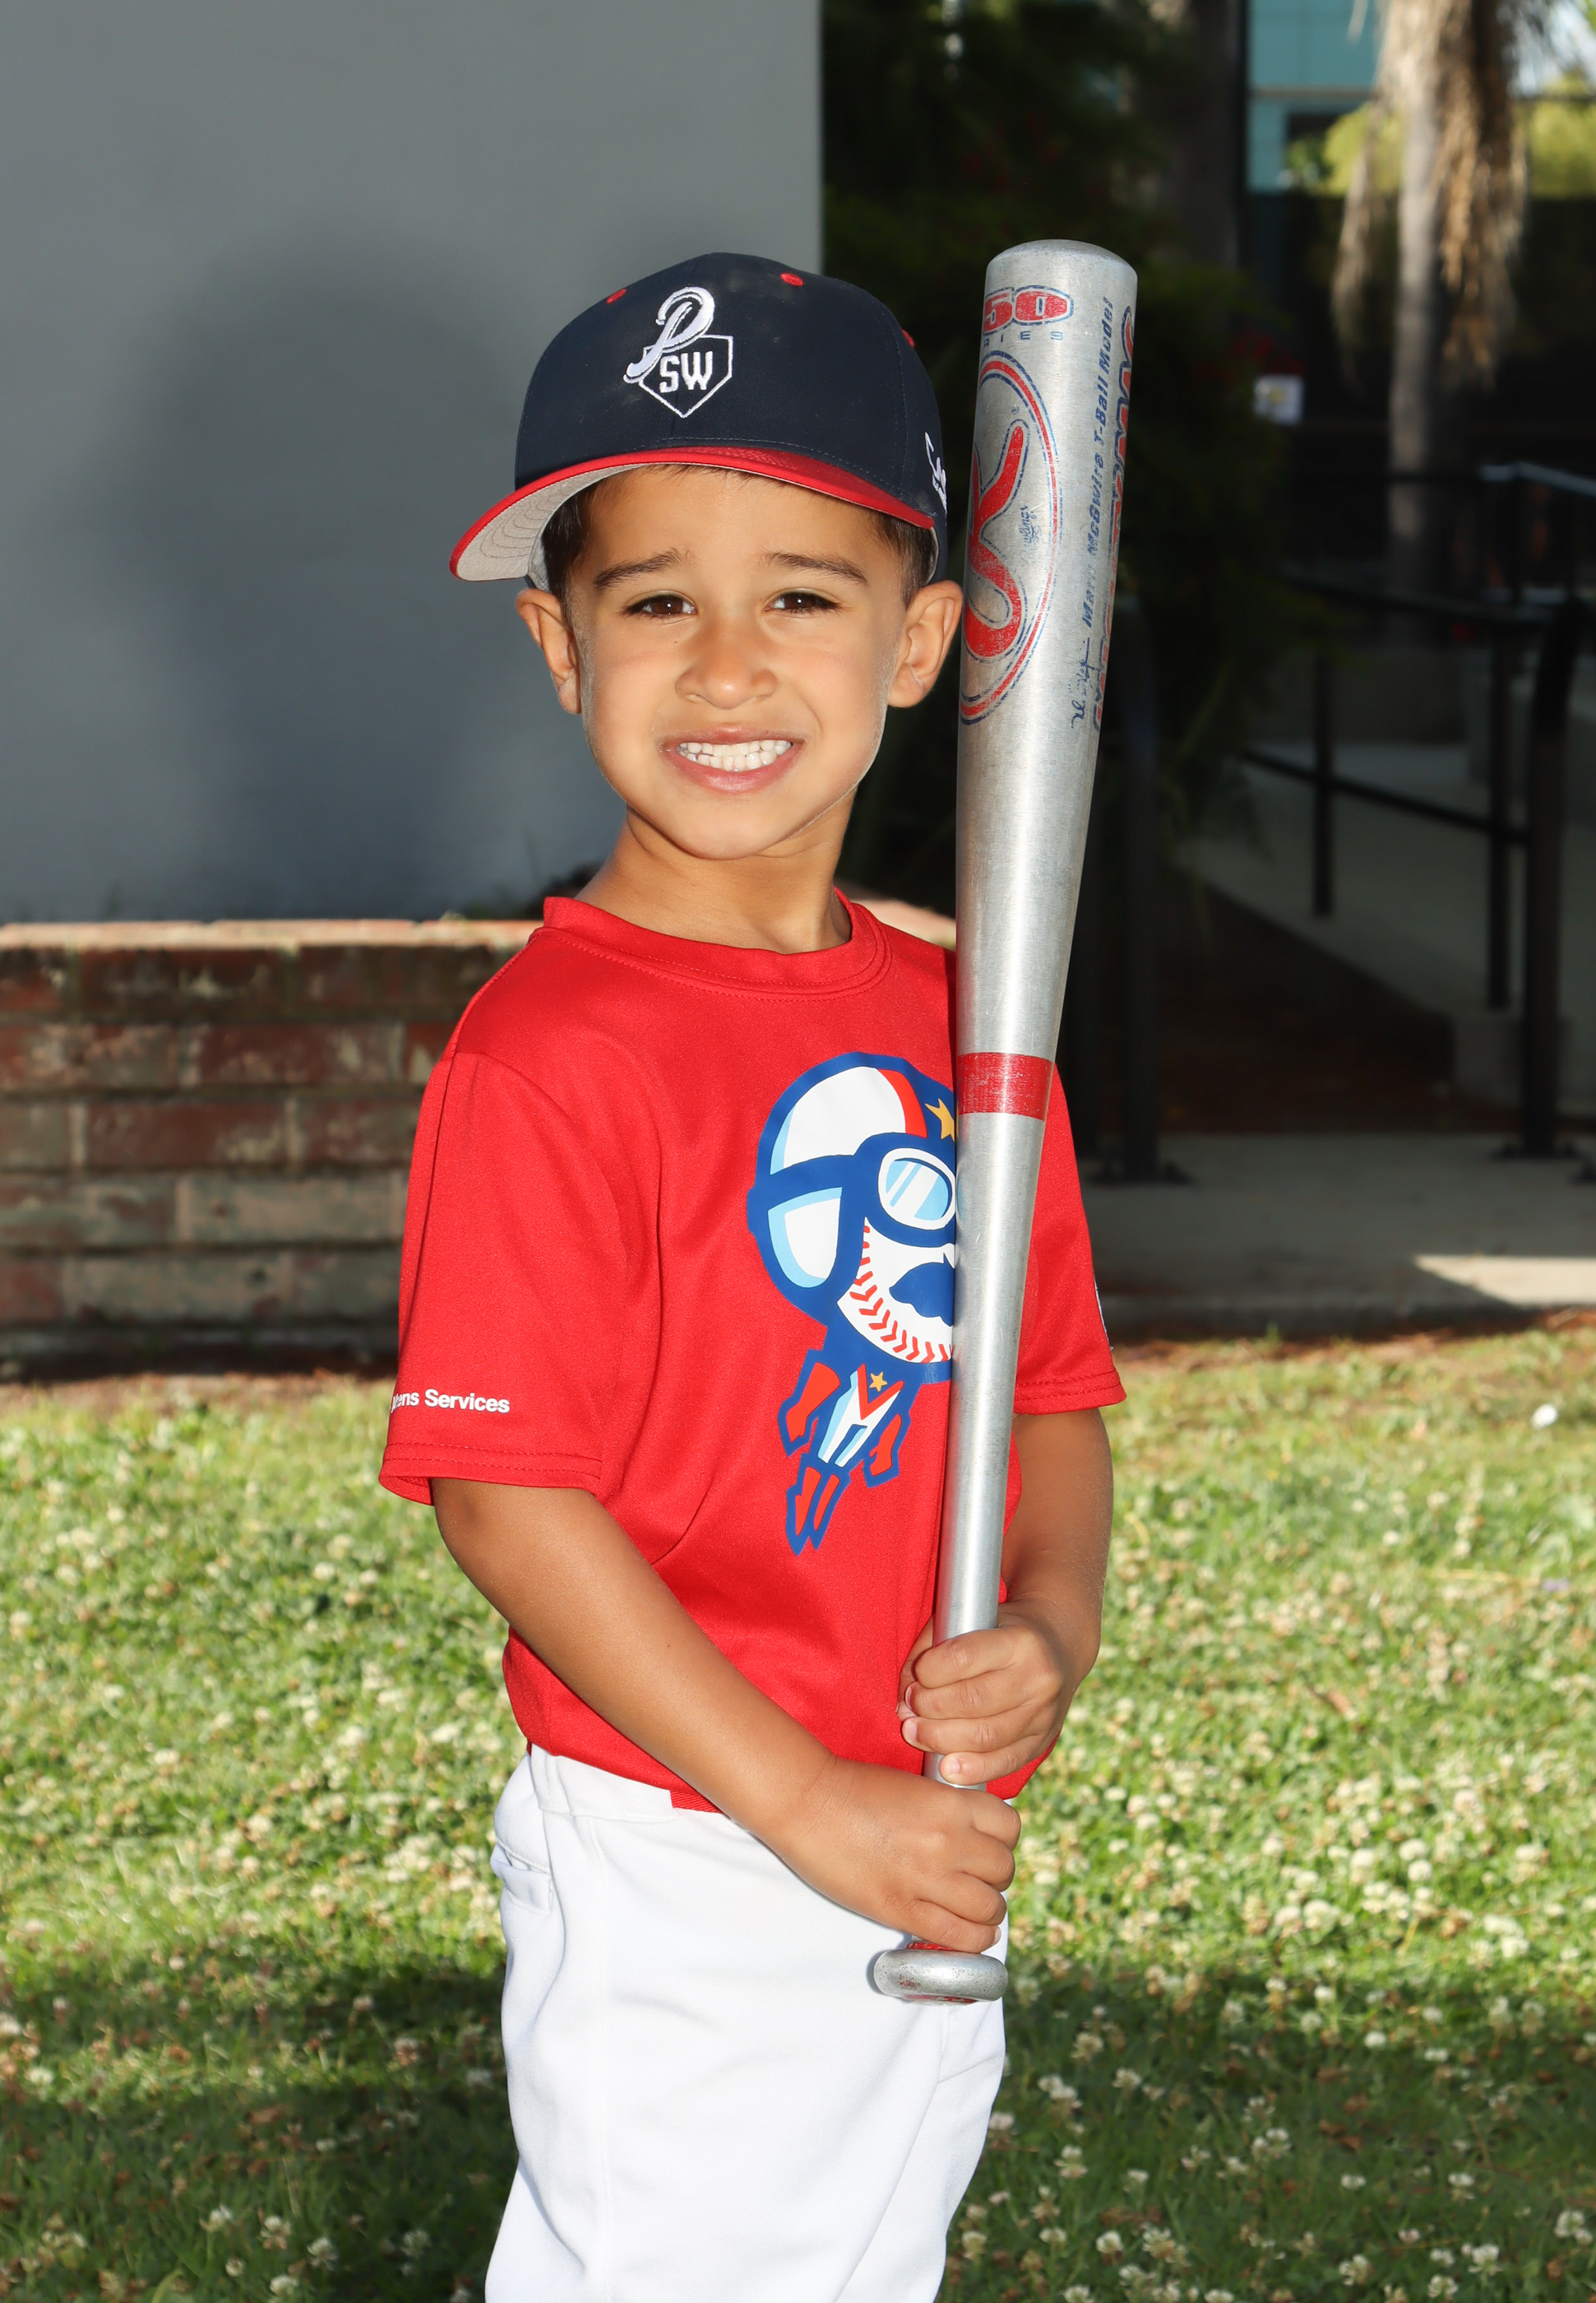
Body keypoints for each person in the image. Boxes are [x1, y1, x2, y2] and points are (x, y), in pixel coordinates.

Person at [378, 251, 1122, 2303]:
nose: (725, 666)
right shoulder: (550, 1053)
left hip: (920, 1814)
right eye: (653, 604)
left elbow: (1046, 1403)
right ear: (559, 644)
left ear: (924, 641)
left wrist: (1047, 1628)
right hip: (687, 1833)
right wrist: (801, 1800)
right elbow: (506, 1497)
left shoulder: (978, 1032)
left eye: (799, 594)